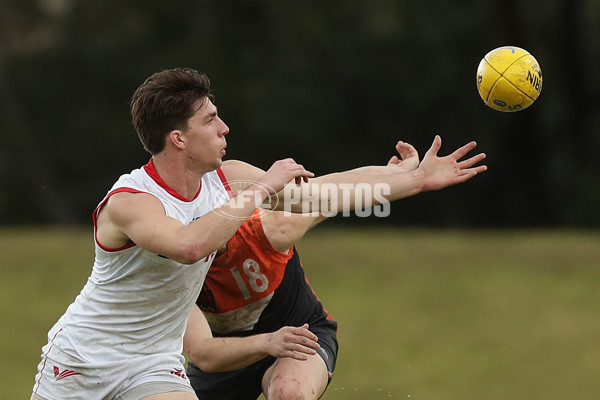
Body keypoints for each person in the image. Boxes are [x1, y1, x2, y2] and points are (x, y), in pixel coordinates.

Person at [31, 67, 486, 400]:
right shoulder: (131, 202)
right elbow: (189, 245)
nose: (224, 127)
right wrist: (265, 186)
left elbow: (321, 193)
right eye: (210, 120)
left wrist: (414, 180)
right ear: (179, 139)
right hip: (81, 363)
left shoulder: (226, 178)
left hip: (153, 363)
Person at [183, 142, 421, 400]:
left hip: (301, 334)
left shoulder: (271, 230)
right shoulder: (173, 264)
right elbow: (204, 354)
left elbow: (333, 190)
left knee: (290, 393)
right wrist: (268, 342)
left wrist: (402, 173)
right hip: (226, 356)